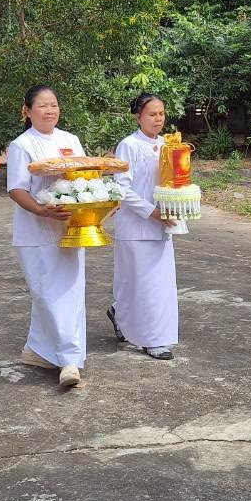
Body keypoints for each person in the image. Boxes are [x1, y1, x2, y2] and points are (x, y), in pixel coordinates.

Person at [6, 85, 87, 389]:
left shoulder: (71, 140)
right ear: (27, 111)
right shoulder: (22, 144)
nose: (50, 110)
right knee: (49, 292)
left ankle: (38, 351)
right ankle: (69, 360)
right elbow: (16, 188)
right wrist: (42, 211)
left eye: (53, 104)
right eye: (42, 105)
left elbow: (84, 175)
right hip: (37, 230)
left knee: (70, 290)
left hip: (69, 227)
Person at [109, 92, 179, 360]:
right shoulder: (129, 145)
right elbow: (121, 188)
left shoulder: (168, 144)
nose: (158, 119)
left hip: (163, 226)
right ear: (138, 116)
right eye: (152, 113)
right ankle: (144, 333)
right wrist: (152, 212)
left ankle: (150, 334)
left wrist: (177, 207)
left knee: (158, 286)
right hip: (136, 226)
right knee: (135, 283)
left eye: (161, 113)